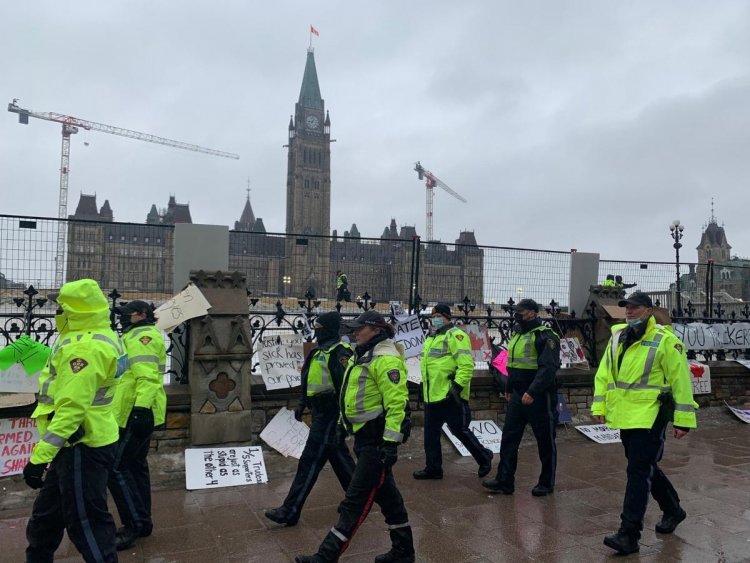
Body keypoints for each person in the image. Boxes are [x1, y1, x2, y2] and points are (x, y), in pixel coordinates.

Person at [295, 310, 414, 563]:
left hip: (377, 443)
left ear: (376, 330)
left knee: (354, 502)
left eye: (360, 328)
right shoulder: (362, 356)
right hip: (363, 439)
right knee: (390, 499)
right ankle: (403, 551)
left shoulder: (385, 360)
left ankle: (325, 556)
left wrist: (390, 444)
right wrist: (341, 424)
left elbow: (397, 405)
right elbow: (349, 397)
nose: (355, 332)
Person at [24, 279, 126, 563]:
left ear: (75, 309)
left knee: (87, 524)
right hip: (82, 441)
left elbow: (71, 409)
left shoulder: (83, 348)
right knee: (46, 518)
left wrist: (38, 458)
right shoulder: (98, 336)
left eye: (61, 305)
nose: (57, 309)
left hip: (81, 445)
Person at [594, 291, 697, 555]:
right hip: (625, 414)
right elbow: (604, 372)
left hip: (651, 415)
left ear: (649, 310)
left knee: (638, 472)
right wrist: (599, 405)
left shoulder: (666, 341)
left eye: (635, 308)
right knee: (643, 465)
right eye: (627, 307)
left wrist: (683, 420)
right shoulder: (618, 336)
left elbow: (681, 381)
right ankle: (673, 509)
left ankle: (629, 534)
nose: (629, 311)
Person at [265, 312, 356, 526]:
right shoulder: (317, 352)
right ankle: (357, 500)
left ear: (329, 329)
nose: (316, 329)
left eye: (319, 326)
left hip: (331, 413)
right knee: (339, 458)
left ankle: (290, 510)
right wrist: (302, 404)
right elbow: (308, 381)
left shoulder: (339, 353)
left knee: (310, 460)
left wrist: (343, 420)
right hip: (319, 413)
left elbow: (346, 389)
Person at [482, 298, 560, 496]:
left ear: (533, 313)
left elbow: (548, 368)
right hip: (517, 394)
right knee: (509, 438)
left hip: (539, 396)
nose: (517, 315)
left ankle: (546, 482)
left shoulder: (546, 336)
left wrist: (532, 392)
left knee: (545, 441)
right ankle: (504, 480)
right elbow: (512, 364)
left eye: (521, 311)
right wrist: (509, 387)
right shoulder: (517, 334)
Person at [108, 300, 167, 550]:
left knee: (116, 468)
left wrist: (141, 409)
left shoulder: (143, 337)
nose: (122, 318)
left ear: (142, 315)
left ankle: (132, 525)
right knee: (135, 467)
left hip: (136, 411)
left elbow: (148, 377)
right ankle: (143, 522)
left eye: (126, 314)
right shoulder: (134, 335)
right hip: (131, 410)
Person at [413, 303, 492, 480]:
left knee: (460, 431)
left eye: (438, 316)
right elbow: (428, 367)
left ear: (447, 317)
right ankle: (433, 468)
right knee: (430, 435)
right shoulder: (432, 337)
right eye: (433, 316)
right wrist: (423, 388)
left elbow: (466, 365)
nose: (434, 319)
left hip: (449, 395)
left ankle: (483, 457)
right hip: (432, 394)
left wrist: (456, 387)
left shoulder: (456, 335)